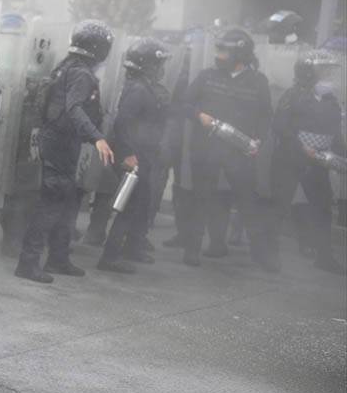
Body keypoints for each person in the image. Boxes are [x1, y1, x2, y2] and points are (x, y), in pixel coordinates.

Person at [15, 19, 116, 284]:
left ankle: (58, 258)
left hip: (59, 141)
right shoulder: (81, 73)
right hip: (61, 143)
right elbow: (74, 108)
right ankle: (28, 262)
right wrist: (98, 138)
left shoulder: (66, 65)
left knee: (68, 202)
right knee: (51, 203)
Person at [181, 28, 277, 271]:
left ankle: (261, 255)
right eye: (219, 49)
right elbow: (183, 103)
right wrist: (198, 115)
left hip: (239, 151)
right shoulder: (207, 76)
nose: (219, 55)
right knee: (201, 198)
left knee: (248, 202)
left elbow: (266, 116)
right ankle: (192, 250)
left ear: (240, 54)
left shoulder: (258, 82)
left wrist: (258, 140)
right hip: (206, 149)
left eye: (225, 51)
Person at [97, 39, 171, 273]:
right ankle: (109, 257)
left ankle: (132, 248)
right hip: (134, 156)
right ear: (147, 65)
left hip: (144, 153)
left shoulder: (143, 86)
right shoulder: (139, 90)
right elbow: (122, 123)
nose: (161, 68)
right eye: (158, 63)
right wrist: (128, 154)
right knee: (129, 205)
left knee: (142, 202)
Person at [269, 49, 346, 274]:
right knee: (278, 206)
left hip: (318, 162)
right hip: (290, 158)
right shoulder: (292, 95)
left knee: (323, 208)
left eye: (330, 71)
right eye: (323, 71)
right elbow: (280, 126)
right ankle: (269, 253)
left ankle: (324, 256)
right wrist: (302, 148)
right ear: (307, 72)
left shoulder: (331, 101)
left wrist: (341, 154)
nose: (328, 76)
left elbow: (335, 136)